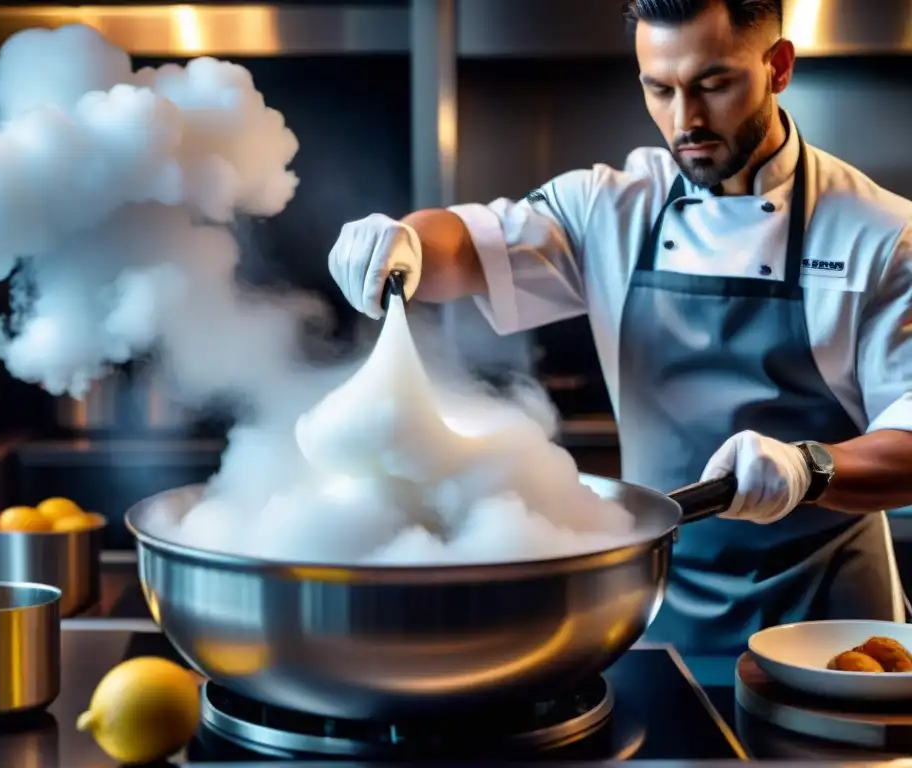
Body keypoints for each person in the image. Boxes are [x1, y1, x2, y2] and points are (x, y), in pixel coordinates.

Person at [325, 0, 912, 654]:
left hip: (830, 625)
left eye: (713, 85)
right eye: (659, 89)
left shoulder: (881, 233)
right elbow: (464, 246)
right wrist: (403, 240)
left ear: (777, 68)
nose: (684, 119)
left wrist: (810, 469)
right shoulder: (609, 206)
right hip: (659, 608)